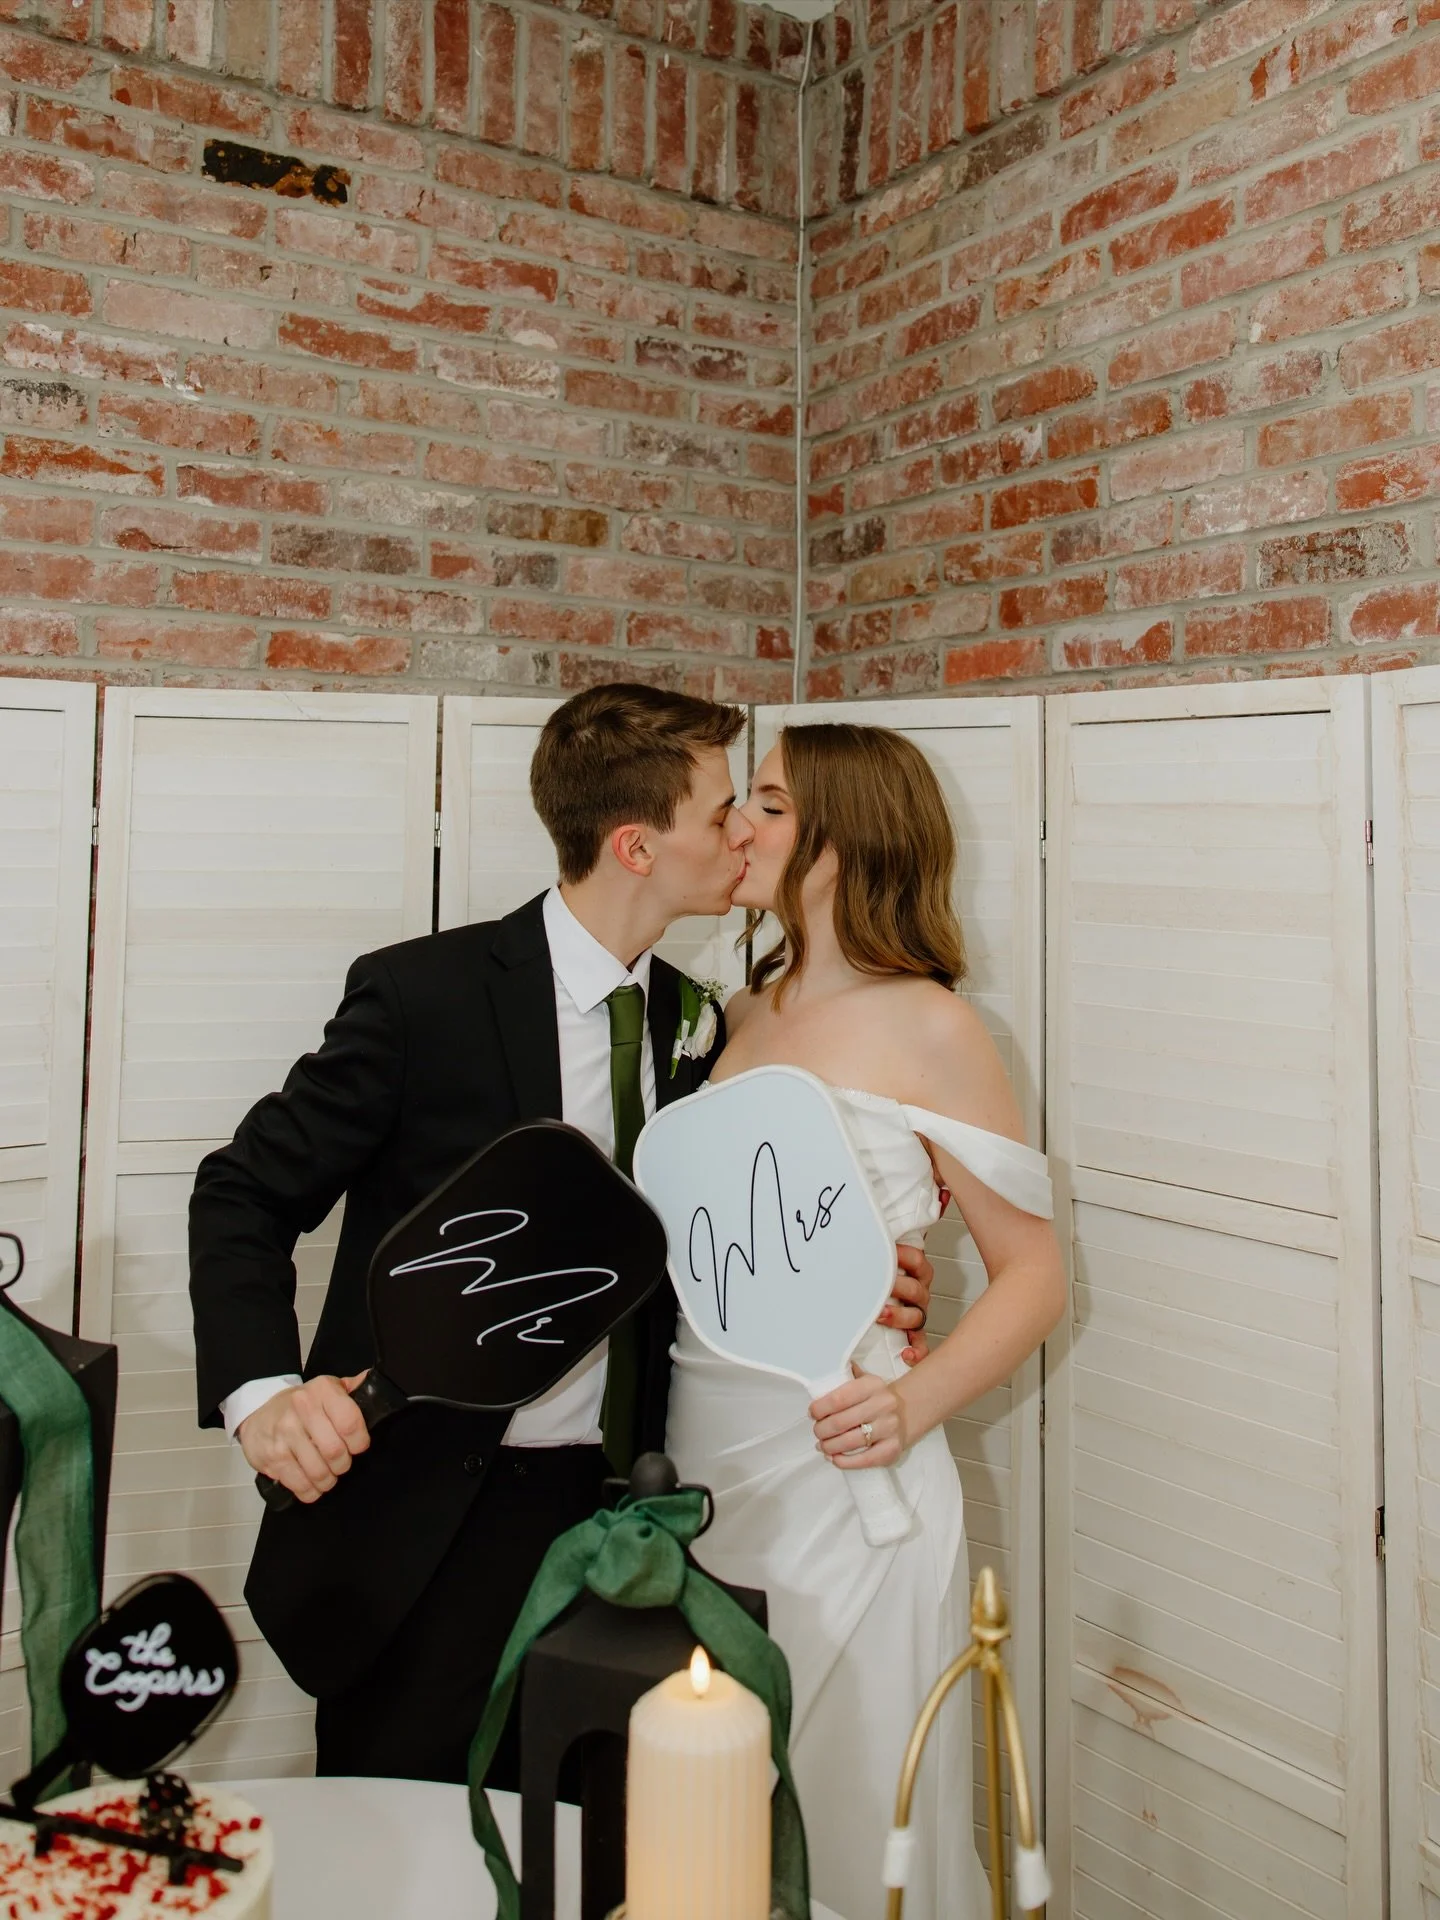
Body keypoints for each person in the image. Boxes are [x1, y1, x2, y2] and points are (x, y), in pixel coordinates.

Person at [188, 683, 935, 1785]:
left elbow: (711, 1248)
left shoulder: (704, 1030)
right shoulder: (422, 998)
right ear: (637, 846)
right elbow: (240, 1194)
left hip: (622, 1527)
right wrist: (261, 1399)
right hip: (424, 1530)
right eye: (723, 809)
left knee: (596, 1858)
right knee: (404, 1853)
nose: (744, 833)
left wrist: (855, 1282)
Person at [666, 721, 1066, 1920]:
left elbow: (1035, 1272)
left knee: (848, 1815)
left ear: (844, 842)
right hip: (708, 1460)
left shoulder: (933, 1024)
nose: (741, 824)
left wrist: (909, 1401)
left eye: (771, 805)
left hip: (854, 1475)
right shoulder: (737, 1013)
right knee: (721, 1804)